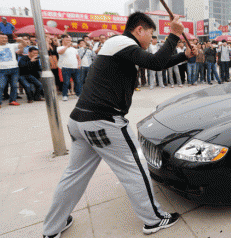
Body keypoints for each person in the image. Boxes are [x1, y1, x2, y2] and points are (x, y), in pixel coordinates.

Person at [42, 13, 195, 238]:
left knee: (73, 175)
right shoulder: (121, 41)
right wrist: (173, 34)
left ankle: (52, 227)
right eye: (151, 34)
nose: (151, 40)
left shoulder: (120, 47)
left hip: (80, 121)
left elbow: (155, 65)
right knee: (136, 170)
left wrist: (183, 56)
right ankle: (153, 219)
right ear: (139, 30)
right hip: (103, 122)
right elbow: (155, 61)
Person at [0, 34, 23, 107]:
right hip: (2, 69)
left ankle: (13, 100)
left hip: (14, 68)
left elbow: (24, 45)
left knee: (14, 85)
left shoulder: (11, 45)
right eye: (2, 38)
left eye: (6, 38)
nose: (4, 39)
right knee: (1, 86)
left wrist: (21, 40)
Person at [57, 35, 81, 101]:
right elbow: (60, 52)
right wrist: (67, 46)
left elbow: (78, 58)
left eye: (69, 40)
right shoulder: (60, 48)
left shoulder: (74, 49)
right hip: (65, 67)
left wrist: (79, 64)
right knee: (66, 82)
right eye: (67, 40)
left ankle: (78, 95)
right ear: (63, 41)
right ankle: (65, 95)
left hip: (75, 67)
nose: (68, 42)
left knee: (77, 81)